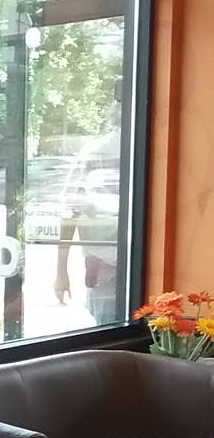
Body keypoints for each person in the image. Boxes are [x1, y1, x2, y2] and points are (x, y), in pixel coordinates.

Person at [54, 130, 121, 326]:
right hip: (105, 266)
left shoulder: (97, 149)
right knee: (112, 328)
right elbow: (71, 209)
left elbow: (70, 209)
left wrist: (61, 272)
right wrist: (61, 271)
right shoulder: (97, 150)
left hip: (132, 264)